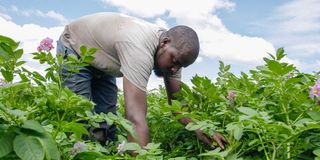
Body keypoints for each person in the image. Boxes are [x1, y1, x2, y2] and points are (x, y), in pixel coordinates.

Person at [56, 12, 226, 148]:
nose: (175, 69)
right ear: (164, 42)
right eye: (175, 61)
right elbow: (135, 117)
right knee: (81, 117)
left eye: (181, 65)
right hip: (76, 48)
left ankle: (103, 151)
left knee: (105, 121)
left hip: (102, 60)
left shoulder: (173, 58)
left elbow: (178, 108)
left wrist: (203, 129)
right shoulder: (140, 49)